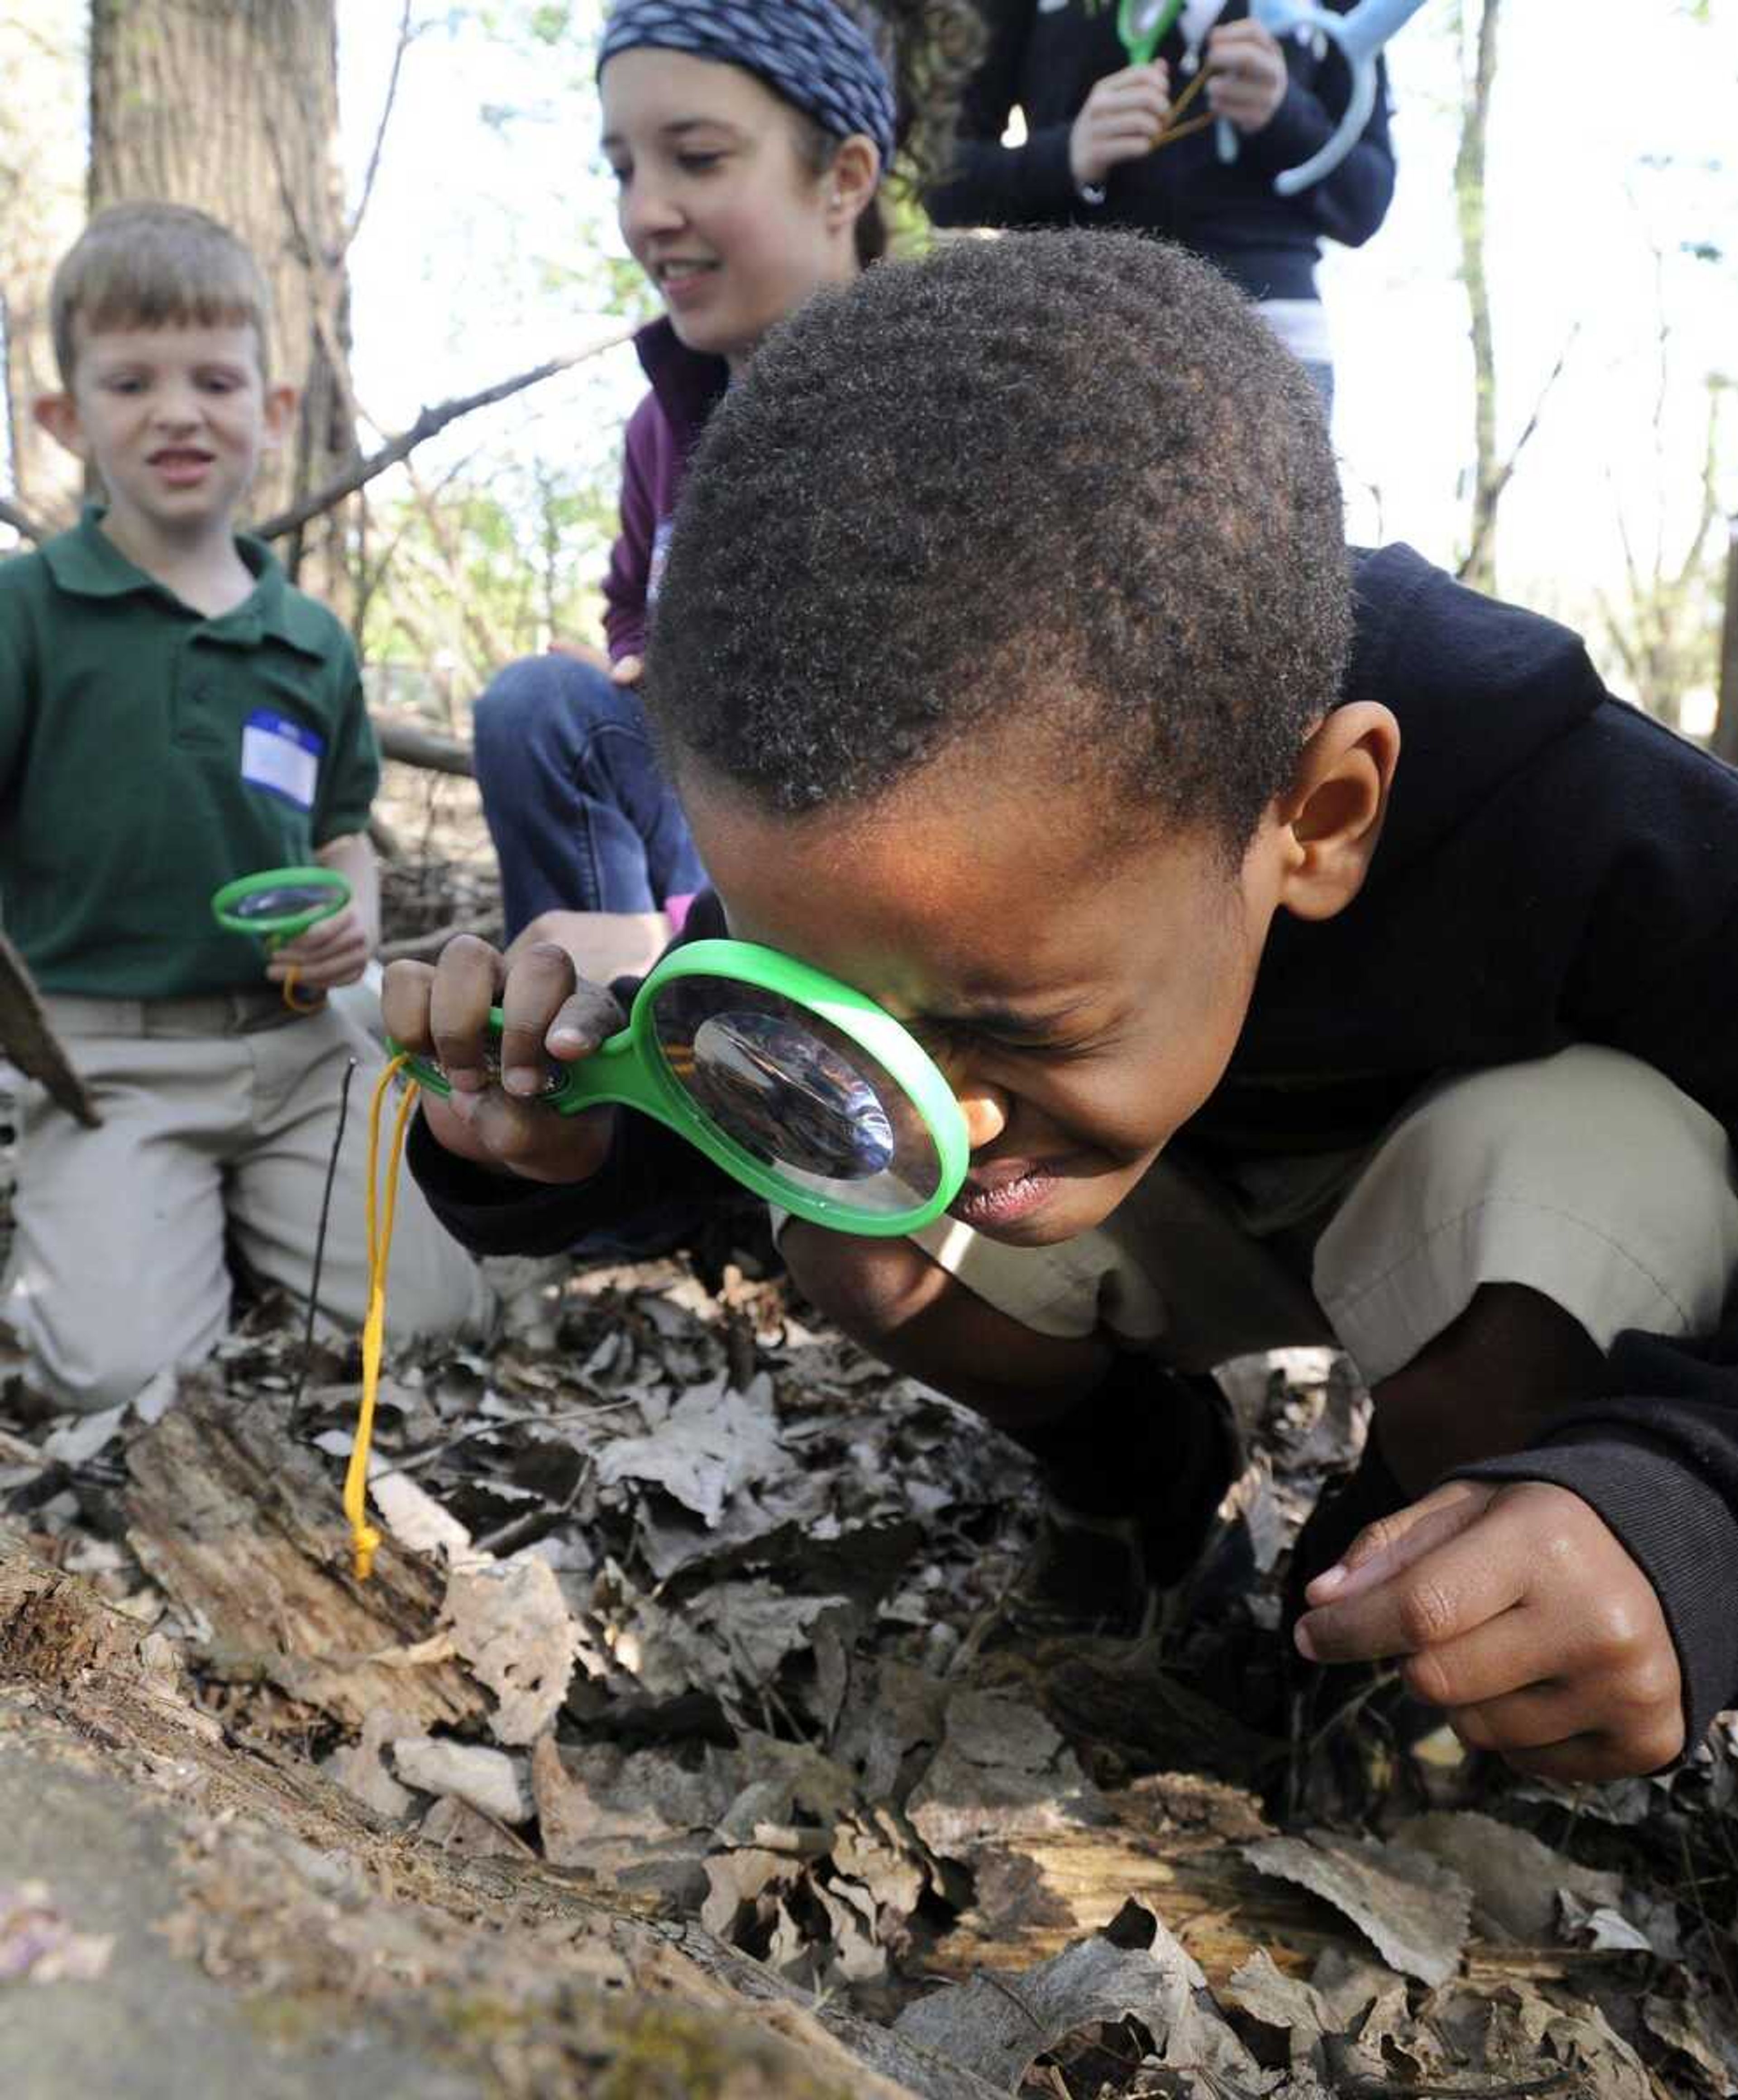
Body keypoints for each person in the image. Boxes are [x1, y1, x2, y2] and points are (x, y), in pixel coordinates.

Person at [388, 229, 1738, 1786]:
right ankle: (1146, 1490)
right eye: (842, 1007)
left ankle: (1402, 1601)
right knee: (854, 1220)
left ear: (1319, 817)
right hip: (1184, 1214)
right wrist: (562, 1127)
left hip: (1486, 1225)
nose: (939, 1111)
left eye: (1019, 1024)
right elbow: (714, 1083)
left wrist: (1687, 1499)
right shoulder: (886, 839)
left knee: (1578, 1180)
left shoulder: (1590, 824)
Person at [0, 201, 493, 1414]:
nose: (178, 411)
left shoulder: (310, 638)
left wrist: (355, 922)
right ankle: (143, 1224)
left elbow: (341, 829)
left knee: (436, 1323)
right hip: (103, 1054)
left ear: (273, 414)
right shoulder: (27, 613)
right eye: (131, 382)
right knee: (112, 1378)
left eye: (216, 379)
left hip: (298, 1043)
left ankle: (222, 1218)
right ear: (66, 419)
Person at [470, 0, 980, 960]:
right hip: (696, 809)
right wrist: (640, 664)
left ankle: (667, 976)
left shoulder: (938, 423)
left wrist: (665, 930)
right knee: (539, 708)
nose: (644, 213)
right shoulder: (663, 426)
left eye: (696, 159)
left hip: (858, 881)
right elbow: (631, 601)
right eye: (624, 170)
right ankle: (605, 1047)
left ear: (844, 177)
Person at [925, 0, 1396, 410]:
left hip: (1271, 344)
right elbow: (940, 182)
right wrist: (1065, 155)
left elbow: (1365, 204)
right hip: (1071, 340)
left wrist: (1284, 118)